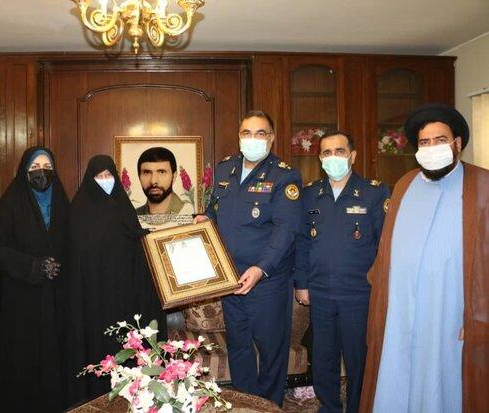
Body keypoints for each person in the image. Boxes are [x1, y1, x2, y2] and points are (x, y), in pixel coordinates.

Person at [360, 103, 489, 413]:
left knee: (442, 386)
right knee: (396, 377)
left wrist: (479, 316)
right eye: (424, 142)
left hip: (449, 313)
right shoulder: (405, 184)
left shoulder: (482, 185)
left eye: (440, 140)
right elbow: (387, 248)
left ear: (457, 143)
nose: (432, 148)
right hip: (400, 310)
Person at [194, 110, 303, 405]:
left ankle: (269, 407)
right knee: (239, 346)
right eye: (246, 133)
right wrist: (205, 218)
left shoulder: (284, 175)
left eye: (260, 133)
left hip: (267, 281)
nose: (252, 139)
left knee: (271, 350)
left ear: (271, 138)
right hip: (231, 278)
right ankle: (246, 405)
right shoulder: (224, 169)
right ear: (239, 136)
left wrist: (261, 268)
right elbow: (215, 210)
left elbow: (286, 229)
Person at [293, 131, 389, 413]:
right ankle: (329, 407)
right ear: (320, 158)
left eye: (339, 151)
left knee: (359, 360)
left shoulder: (374, 192)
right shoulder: (310, 194)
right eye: (326, 152)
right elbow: (302, 242)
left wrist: (382, 290)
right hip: (320, 292)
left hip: (359, 294)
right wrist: (301, 283)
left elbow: (385, 246)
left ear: (352, 156)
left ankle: (359, 407)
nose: (332, 157)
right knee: (324, 359)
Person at [66, 155, 167, 403]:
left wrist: (151, 241)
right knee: (96, 348)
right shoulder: (77, 211)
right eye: (99, 176)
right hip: (92, 298)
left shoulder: (123, 206)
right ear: (89, 179)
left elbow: (134, 241)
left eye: (108, 175)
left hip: (123, 297)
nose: (104, 180)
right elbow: (74, 256)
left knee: (124, 347)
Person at [0, 147, 69, 413]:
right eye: (34, 167)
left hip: (55, 299)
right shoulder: (11, 204)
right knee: (24, 362)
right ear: (24, 171)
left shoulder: (63, 203)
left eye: (47, 166)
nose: (41, 172)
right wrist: (34, 266)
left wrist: (59, 266)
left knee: (54, 360)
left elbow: (73, 244)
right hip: (20, 300)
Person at [135, 147, 194, 215]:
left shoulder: (188, 213)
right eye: (147, 173)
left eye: (161, 172)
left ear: (174, 176)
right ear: (139, 176)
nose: (153, 181)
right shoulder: (133, 216)